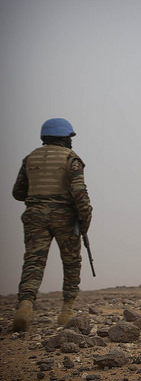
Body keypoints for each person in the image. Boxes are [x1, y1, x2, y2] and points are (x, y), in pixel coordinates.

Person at [12, 118, 92, 331]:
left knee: (33, 262)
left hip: (34, 216)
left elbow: (18, 192)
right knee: (72, 262)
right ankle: (66, 311)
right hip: (64, 216)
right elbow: (79, 192)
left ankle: (25, 306)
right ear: (65, 137)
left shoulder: (30, 158)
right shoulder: (71, 159)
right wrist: (85, 219)